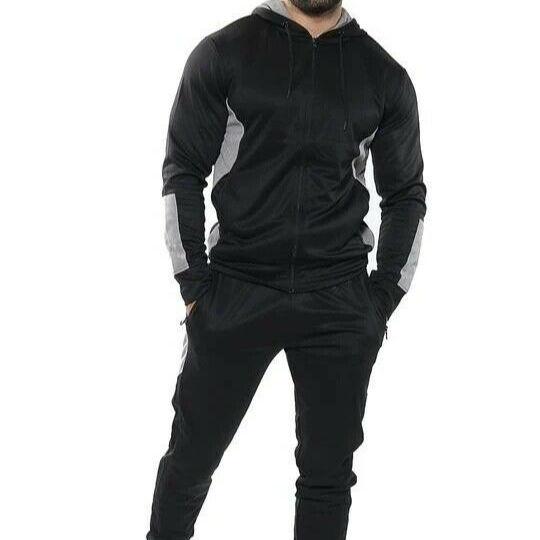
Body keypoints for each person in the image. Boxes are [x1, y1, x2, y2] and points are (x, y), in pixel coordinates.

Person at [148, 1, 426, 539]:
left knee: (327, 481)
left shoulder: (384, 76)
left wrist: (380, 302)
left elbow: (406, 196)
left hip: (339, 301)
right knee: (191, 459)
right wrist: (194, 287)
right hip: (236, 289)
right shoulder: (224, 54)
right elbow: (182, 170)